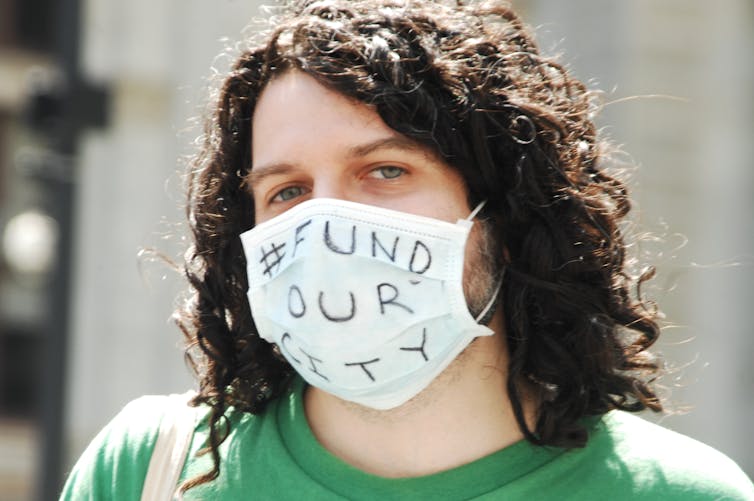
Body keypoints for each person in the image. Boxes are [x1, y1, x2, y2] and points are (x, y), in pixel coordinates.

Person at [61, 1, 754, 499]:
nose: (326, 223)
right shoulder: (150, 470)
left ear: (506, 217)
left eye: (385, 170)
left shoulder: (680, 493)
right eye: (287, 190)